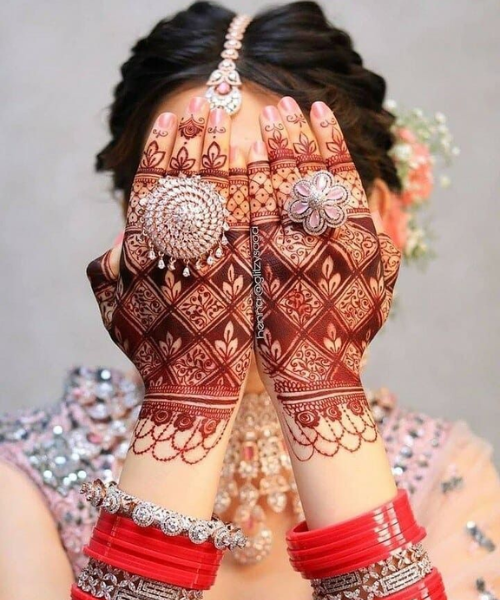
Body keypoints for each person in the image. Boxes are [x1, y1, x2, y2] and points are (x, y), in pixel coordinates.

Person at [0, 3, 498, 600]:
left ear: (384, 223)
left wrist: (322, 390)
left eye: (298, 210)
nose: (239, 270)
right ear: (125, 237)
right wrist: (186, 398)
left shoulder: (447, 471)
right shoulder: (23, 474)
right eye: (192, 211)